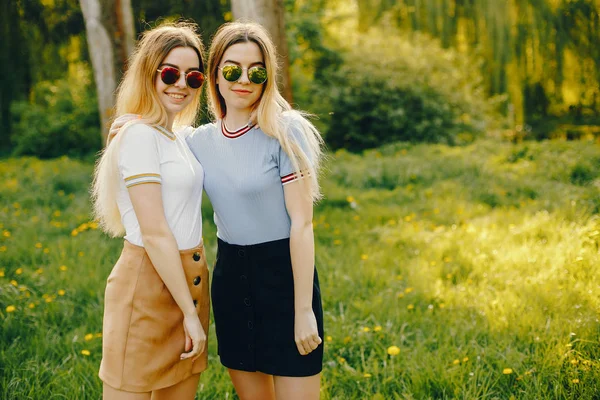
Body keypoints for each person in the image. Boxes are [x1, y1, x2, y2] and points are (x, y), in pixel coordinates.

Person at [111, 21, 326, 400]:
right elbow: (158, 139)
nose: (243, 79)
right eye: (231, 69)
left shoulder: (286, 131)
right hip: (232, 281)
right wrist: (128, 122)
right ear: (214, 76)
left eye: (256, 71)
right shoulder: (197, 140)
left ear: (267, 77)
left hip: (286, 279)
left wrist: (303, 308)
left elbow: (303, 224)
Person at [91, 22, 210, 400]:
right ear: (149, 72)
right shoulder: (140, 137)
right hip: (147, 285)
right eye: (170, 73)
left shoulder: (179, 137)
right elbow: (156, 232)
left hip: (190, 278)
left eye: (192, 77)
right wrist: (190, 315)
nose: (181, 85)